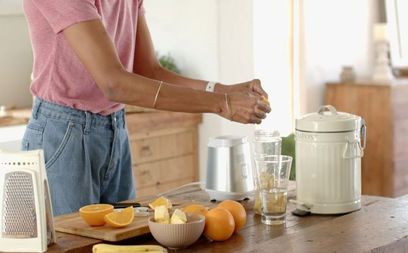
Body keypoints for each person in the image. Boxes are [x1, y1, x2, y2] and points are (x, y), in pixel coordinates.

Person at [22, 0, 271, 216]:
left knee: (122, 241)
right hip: (64, 134)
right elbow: (113, 83)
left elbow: (150, 70)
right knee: (75, 246)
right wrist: (222, 104)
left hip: (114, 128)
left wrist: (223, 90)